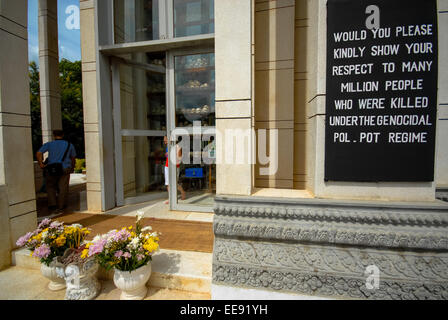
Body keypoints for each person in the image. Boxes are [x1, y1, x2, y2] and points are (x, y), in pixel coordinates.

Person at [36, 130, 76, 214]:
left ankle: (52, 205)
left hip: (51, 168)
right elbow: (73, 158)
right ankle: (61, 205)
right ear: (63, 135)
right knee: (63, 187)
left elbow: (39, 153)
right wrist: (72, 167)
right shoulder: (69, 145)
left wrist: (41, 163)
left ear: (54, 135)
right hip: (64, 167)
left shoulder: (49, 144)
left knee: (50, 186)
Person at [164, 135, 186, 204]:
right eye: (164, 141)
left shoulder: (178, 147)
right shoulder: (168, 147)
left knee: (174, 183)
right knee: (168, 184)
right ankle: (170, 198)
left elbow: (179, 158)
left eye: (165, 140)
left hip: (175, 167)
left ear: (170, 139)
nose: (164, 142)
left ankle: (182, 192)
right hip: (167, 166)